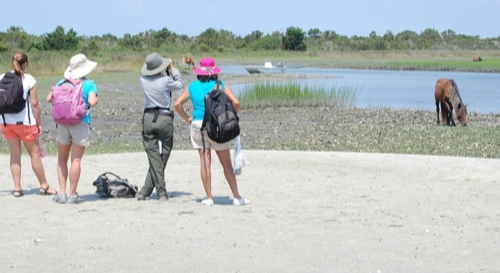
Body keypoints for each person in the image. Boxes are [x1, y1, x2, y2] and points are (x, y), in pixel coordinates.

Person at [174, 57, 249, 206]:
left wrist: (187, 119)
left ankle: (209, 198)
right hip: (217, 126)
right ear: (213, 71)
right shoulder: (220, 84)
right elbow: (236, 102)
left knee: (204, 161)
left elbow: (177, 104)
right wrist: (231, 115)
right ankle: (236, 196)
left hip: (197, 126)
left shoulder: (192, 86)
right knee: (226, 164)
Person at [0, 51, 57, 197]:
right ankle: (44, 185)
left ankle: (17, 188)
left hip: (6, 122)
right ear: (25, 64)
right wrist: (39, 123)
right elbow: (35, 104)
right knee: (34, 154)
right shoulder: (29, 79)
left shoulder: (2, 77)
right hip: (25, 123)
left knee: (14, 155)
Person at [46, 53, 98, 204]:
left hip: (62, 123)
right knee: (76, 159)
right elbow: (92, 101)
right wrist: (96, 99)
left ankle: (61, 193)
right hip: (80, 122)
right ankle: (73, 194)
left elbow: (49, 98)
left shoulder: (62, 82)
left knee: (61, 158)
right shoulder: (89, 84)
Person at [136, 52, 184, 201]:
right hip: (164, 117)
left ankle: (146, 189)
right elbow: (180, 85)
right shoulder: (165, 81)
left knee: (153, 155)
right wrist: (173, 68)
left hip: (148, 118)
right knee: (165, 151)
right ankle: (161, 192)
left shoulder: (143, 80)